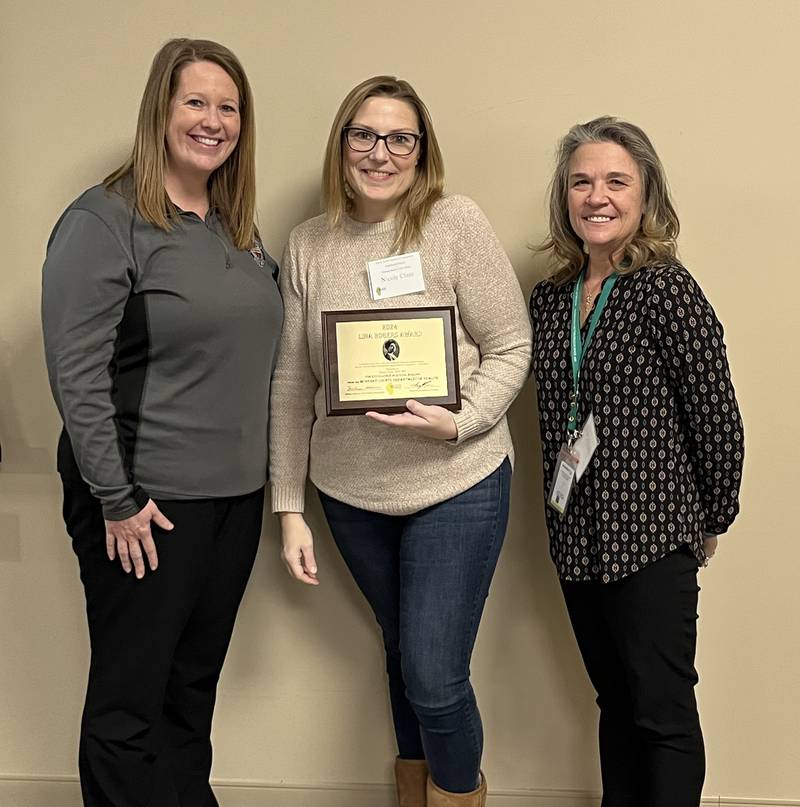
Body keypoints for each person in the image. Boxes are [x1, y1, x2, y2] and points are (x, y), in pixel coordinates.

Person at [269, 76, 531, 807]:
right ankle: (414, 794)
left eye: (399, 138)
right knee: (400, 654)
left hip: (458, 480)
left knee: (434, 675)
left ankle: (455, 796)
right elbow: (292, 385)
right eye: (364, 134)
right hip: (351, 493)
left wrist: (462, 417)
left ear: (422, 151)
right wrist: (289, 504)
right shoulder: (309, 244)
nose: (380, 152)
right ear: (341, 143)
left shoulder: (454, 222)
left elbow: (511, 344)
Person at [41, 38, 282, 807]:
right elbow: (76, 373)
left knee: (190, 691)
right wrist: (115, 497)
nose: (213, 121)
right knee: (129, 699)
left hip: (232, 501)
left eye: (229, 107)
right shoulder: (105, 219)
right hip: (146, 502)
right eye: (196, 102)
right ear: (161, 110)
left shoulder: (235, 228)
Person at [529, 116, 744, 807]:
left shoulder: (665, 290)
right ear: (565, 196)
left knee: (662, 713)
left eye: (616, 181)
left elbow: (717, 417)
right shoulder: (551, 297)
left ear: (646, 194)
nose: (597, 195)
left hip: (651, 537)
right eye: (582, 181)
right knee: (614, 705)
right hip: (576, 537)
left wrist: (712, 517)